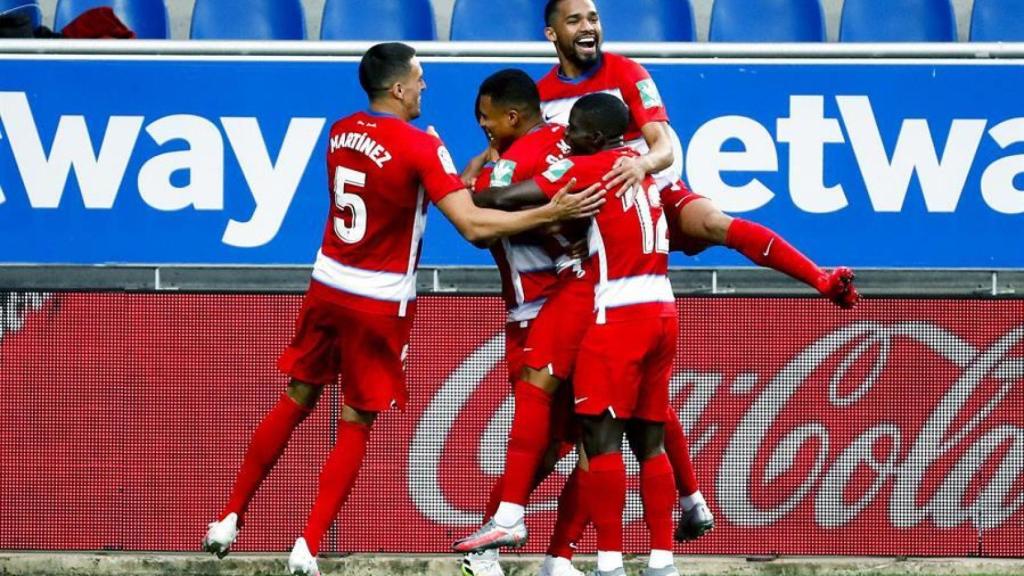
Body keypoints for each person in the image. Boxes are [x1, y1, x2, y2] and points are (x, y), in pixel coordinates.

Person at [199, 42, 605, 576]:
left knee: (296, 396)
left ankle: (229, 516)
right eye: (418, 77)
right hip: (378, 299)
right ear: (397, 87)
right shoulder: (420, 145)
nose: (424, 86)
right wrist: (550, 211)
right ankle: (308, 545)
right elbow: (473, 225)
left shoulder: (340, 130)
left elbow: (433, 184)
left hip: (326, 284)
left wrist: (478, 166)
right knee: (355, 423)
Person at [469, 93, 684, 576]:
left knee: (594, 435)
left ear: (597, 138)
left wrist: (455, 186)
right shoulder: (638, 161)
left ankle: (586, 553)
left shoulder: (589, 167)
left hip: (611, 309)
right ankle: (663, 553)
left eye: (576, 134)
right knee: (647, 438)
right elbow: (662, 146)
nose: (566, 139)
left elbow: (498, 200)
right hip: (663, 309)